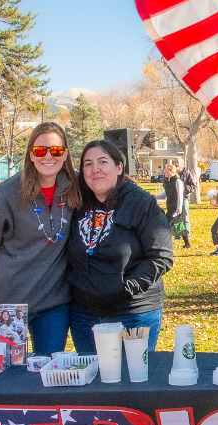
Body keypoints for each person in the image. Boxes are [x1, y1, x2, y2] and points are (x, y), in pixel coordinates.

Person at [0, 122, 82, 354]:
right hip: (8, 305)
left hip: (54, 304)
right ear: (31, 154)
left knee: (46, 374)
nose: (48, 156)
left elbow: (110, 181)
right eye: (40, 150)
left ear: (66, 154)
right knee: (7, 379)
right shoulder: (5, 194)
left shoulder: (77, 188)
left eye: (56, 150)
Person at [67, 140, 173, 353]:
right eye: (88, 164)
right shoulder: (77, 203)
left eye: (102, 162)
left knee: (131, 381)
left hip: (133, 312)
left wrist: (125, 289)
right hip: (84, 315)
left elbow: (161, 257)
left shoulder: (141, 203)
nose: (95, 169)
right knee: (93, 381)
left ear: (119, 167)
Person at [155, 163, 190, 248]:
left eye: (166, 170)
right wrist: (154, 197)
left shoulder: (177, 181)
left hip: (176, 208)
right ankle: (187, 244)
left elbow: (180, 195)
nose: (164, 172)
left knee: (168, 224)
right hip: (170, 207)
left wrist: (179, 207)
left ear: (171, 171)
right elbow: (164, 194)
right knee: (179, 226)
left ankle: (164, 244)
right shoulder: (168, 182)